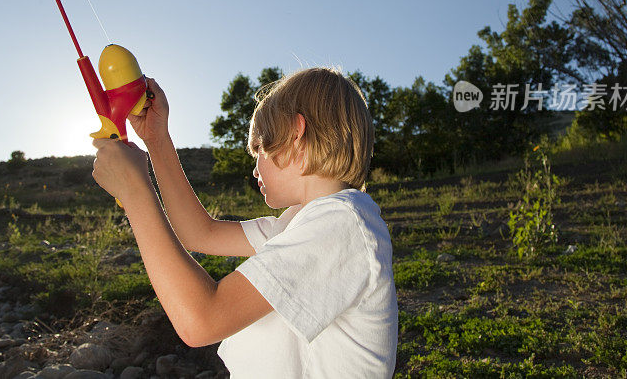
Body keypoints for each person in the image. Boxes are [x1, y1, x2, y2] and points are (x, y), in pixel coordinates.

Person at [92, 67, 398, 378]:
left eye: (259, 149)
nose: (255, 169)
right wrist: (156, 139)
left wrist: (134, 192)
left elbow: (201, 321)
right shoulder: (297, 224)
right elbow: (198, 232)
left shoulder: (342, 225)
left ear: (296, 133)